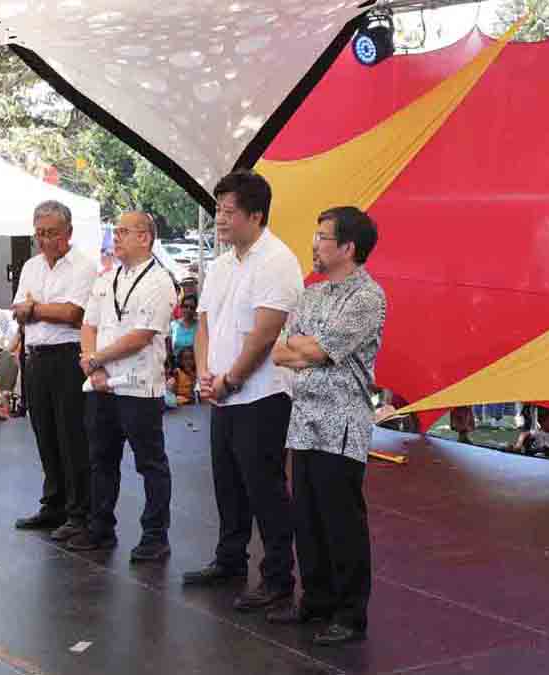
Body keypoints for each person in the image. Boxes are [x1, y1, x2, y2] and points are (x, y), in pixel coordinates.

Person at [182, 171, 303, 616]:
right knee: (227, 484)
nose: (220, 219)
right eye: (218, 210)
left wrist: (230, 378)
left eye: (229, 212)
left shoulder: (277, 261)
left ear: (256, 215)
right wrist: (206, 376)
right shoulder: (221, 263)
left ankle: (277, 578)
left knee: (265, 488)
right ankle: (229, 560)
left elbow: (265, 334)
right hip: (223, 392)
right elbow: (205, 324)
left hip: (262, 395)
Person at [268, 206, 386, 646]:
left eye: (322, 236)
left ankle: (351, 613)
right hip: (305, 421)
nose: (314, 244)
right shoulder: (311, 294)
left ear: (347, 247)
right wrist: (307, 346)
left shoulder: (368, 297)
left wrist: (308, 347)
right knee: (307, 516)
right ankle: (315, 599)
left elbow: (320, 351)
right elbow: (282, 351)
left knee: (342, 520)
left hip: (343, 424)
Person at [67, 211, 175, 560]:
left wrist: (97, 359)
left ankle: (155, 536)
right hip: (101, 384)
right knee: (101, 458)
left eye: (124, 232)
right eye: (115, 232)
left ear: (145, 238)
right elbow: (89, 323)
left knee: (150, 463)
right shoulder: (107, 277)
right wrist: (91, 362)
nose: (116, 238)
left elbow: (141, 336)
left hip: (139, 386)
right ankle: (100, 527)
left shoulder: (160, 282)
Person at [11, 200, 97, 539]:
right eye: (40, 234)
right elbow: (18, 308)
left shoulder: (84, 267)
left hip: (67, 355)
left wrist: (35, 309)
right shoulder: (31, 266)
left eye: (51, 233)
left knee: (71, 434)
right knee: (44, 432)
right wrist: (36, 310)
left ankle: (79, 511)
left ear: (68, 233)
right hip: (34, 354)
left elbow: (73, 314)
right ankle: (54, 502)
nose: (45, 240)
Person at [167, 294, 198, 362]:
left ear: (196, 310)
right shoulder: (173, 325)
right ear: (181, 307)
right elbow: (169, 351)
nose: (188, 310)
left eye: (192, 307)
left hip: (195, 367)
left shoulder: (199, 327)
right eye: (186, 306)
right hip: (177, 367)